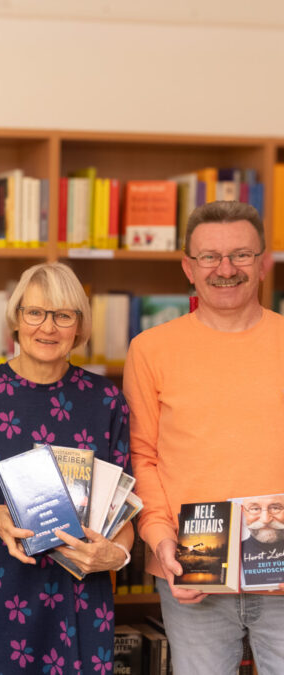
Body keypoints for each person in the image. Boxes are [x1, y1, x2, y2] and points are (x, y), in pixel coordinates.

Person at [0, 262, 132, 673]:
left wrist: (117, 555)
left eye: (64, 316)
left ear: (79, 327)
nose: (48, 328)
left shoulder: (105, 401)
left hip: (79, 593)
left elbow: (124, 509)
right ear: (17, 318)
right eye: (35, 313)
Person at [125, 200, 284, 674]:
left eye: (241, 254)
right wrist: (159, 539)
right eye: (210, 257)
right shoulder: (150, 349)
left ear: (263, 263)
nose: (226, 269)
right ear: (188, 268)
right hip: (191, 571)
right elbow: (142, 455)